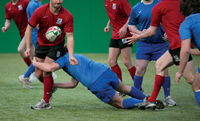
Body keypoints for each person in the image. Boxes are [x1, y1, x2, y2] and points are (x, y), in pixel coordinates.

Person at [126, 0, 195, 108]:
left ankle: (163, 97)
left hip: (178, 46)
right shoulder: (181, 3)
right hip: (177, 44)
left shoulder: (159, 6)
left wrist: (138, 37)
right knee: (160, 65)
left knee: (191, 79)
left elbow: (152, 31)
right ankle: (152, 99)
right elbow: (185, 22)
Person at [32, 47, 164, 110]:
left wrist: (36, 63)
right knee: (125, 88)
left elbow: (49, 68)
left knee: (119, 103)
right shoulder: (75, 56)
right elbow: (73, 83)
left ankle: (145, 103)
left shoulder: (62, 60)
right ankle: (147, 98)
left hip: (97, 83)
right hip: (105, 71)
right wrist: (55, 85)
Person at [24, 0, 78, 109]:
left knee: (47, 70)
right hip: (41, 45)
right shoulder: (40, 11)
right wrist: (28, 47)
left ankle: (45, 102)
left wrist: (70, 55)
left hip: (56, 46)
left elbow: (69, 37)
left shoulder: (67, 15)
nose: (58, 1)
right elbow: (29, 28)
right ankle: (50, 88)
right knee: (39, 75)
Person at [128, 0, 176, 106]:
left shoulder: (161, 3)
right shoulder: (136, 8)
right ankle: (137, 96)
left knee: (165, 70)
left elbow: (169, 20)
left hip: (160, 44)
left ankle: (167, 97)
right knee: (139, 69)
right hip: (144, 44)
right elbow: (131, 25)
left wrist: (168, 32)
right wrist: (139, 33)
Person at [18, 0, 57, 89]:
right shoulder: (33, 5)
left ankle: (27, 77)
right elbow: (37, 24)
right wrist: (51, 33)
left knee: (40, 58)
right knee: (40, 58)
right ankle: (26, 77)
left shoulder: (40, 4)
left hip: (39, 35)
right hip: (36, 35)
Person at [104, 0, 136, 86]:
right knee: (111, 61)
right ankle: (121, 87)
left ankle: (139, 87)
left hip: (125, 35)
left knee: (127, 62)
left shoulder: (122, 1)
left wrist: (124, 27)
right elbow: (113, 16)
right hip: (115, 35)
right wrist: (108, 25)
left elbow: (132, 15)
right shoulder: (106, 1)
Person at [176, 0, 200, 107]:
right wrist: (191, 51)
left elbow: (185, 50)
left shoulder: (186, 24)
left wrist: (180, 71)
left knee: (197, 86)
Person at [2, 0, 33, 67]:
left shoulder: (25, 2)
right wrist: (5, 27)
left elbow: (34, 14)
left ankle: (32, 70)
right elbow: (8, 20)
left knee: (20, 49)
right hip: (22, 33)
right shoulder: (7, 6)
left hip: (30, 30)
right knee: (34, 56)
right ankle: (46, 73)